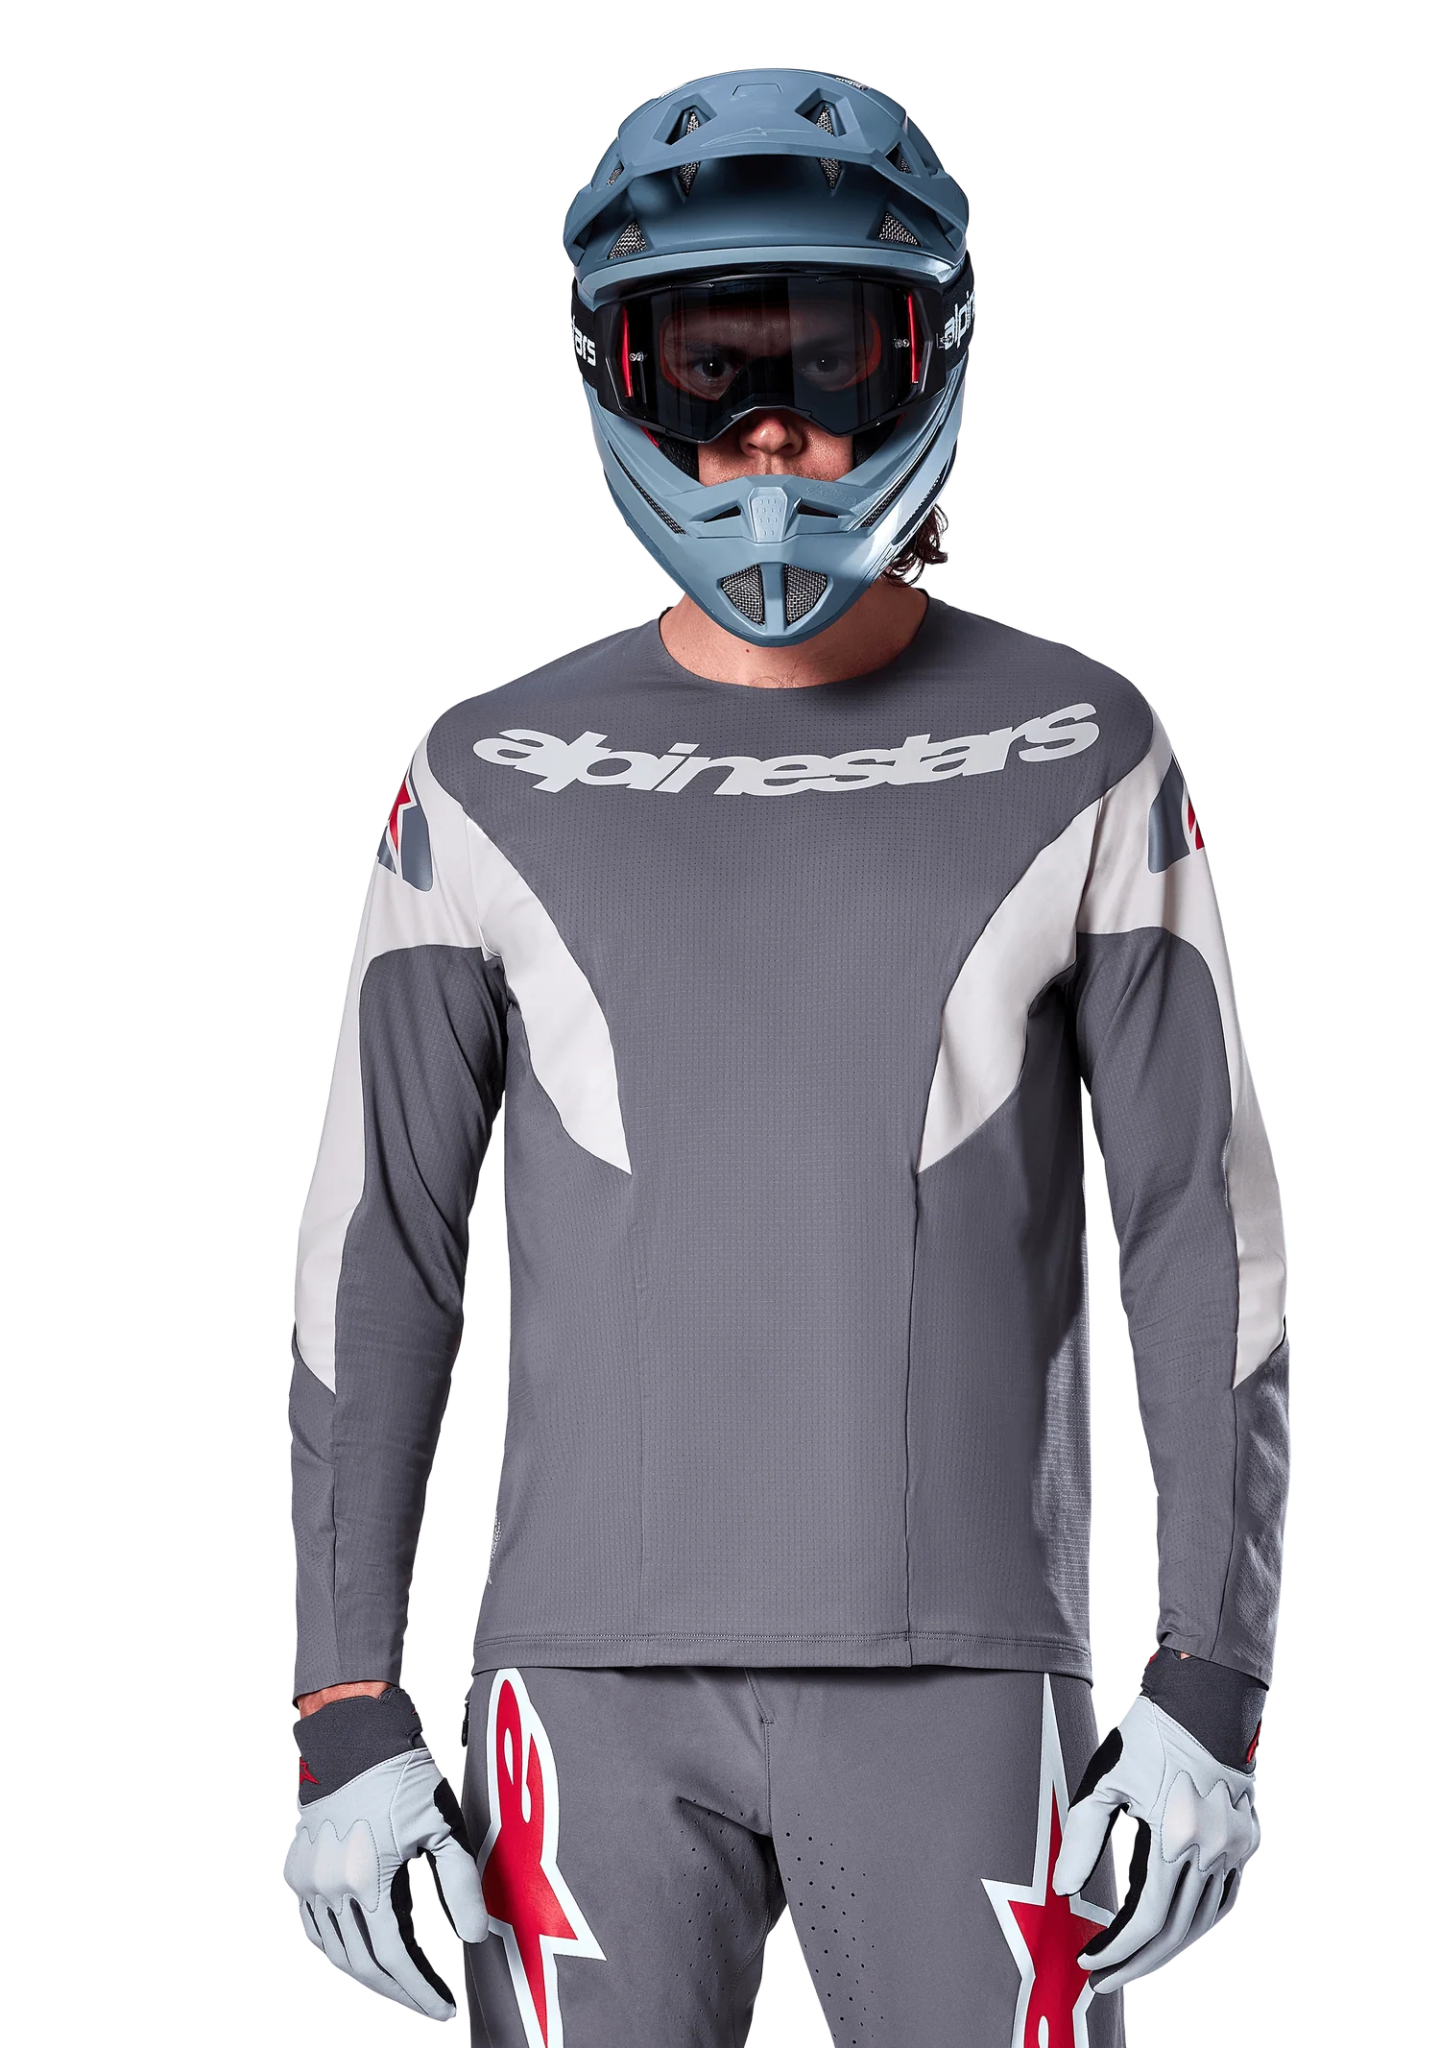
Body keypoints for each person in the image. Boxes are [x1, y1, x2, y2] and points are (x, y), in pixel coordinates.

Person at [282, 65, 1292, 2047]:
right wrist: (339, 1712)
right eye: (706, 366)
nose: (768, 429)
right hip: (580, 1685)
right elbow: (372, 1259)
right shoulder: (485, 774)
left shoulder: (1087, 752)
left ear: (928, 356)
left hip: (972, 1678)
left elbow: (1204, 1237)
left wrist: (1211, 1680)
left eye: (831, 355)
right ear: (615, 375)